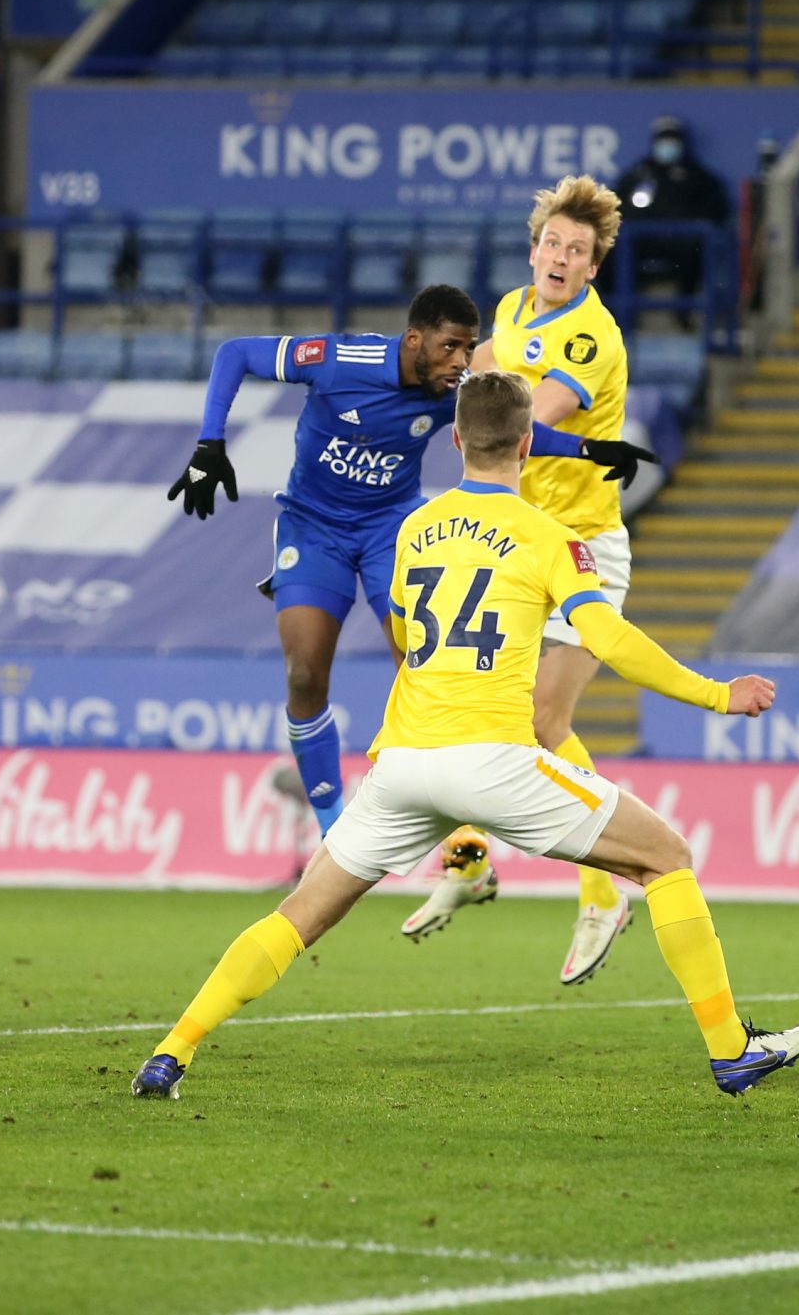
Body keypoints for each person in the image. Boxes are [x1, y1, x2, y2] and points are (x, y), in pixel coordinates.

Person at [132, 372, 799, 1100]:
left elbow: (400, 628)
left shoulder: (414, 529)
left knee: (297, 916)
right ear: (527, 444)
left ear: (455, 439)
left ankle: (171, 1052)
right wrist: (716, 693)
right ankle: (731, 1049)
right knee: (666, 857)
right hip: (493, 758)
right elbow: (608, 637)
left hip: (400, 764)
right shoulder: (551, 535)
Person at [167, 285, 655, 836]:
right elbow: (234, 352)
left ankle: (458, 834)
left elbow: (511, 434)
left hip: (390, 531)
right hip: (313, 525)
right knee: (304, 674)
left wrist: (588, 449)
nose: (461, 363)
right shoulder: (337, 360)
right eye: (450, 347)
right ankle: (334, 827)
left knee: (423, 670)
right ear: (415, 339)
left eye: (469, 349)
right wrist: (210, 445)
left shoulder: (454, 390)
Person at [401, 177, 650, 988]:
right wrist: (431, 380)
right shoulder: (511, 308)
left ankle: (603, 892)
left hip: (581, 548)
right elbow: (475, 369)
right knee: (484, 717)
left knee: (541, 719)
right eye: (553, 243)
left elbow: (526, 425)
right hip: (519, 544)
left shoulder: (588, 336)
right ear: (535, 244)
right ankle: (471, 863)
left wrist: (467, 411)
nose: (562, 258)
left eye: (578, 251)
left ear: (592, 265)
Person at [610, 115, 729, 308]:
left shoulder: (697, 176)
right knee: (612, 250)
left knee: (697, 251)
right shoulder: (640, 173)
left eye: (672, 140)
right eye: (663, 140)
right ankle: (615, 312)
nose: (667, 145)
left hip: (681, 241)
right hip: (644, 239)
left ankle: (684, 312)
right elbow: (616, 205)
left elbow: (716, 210)